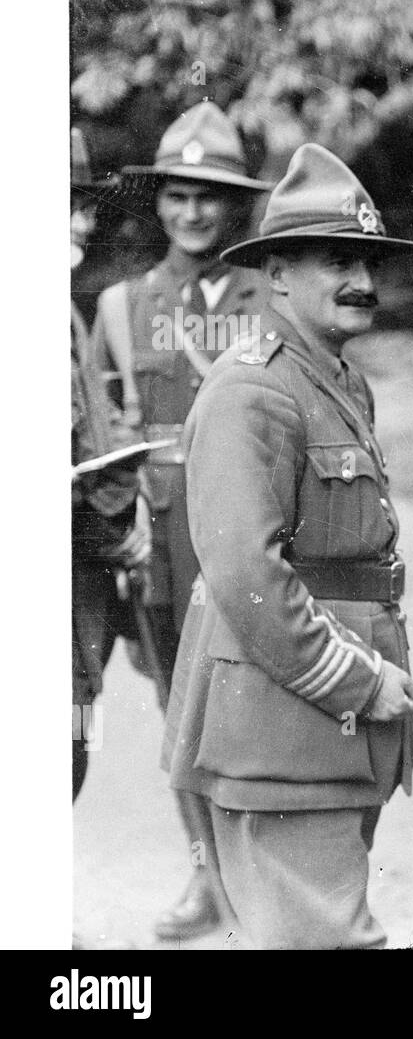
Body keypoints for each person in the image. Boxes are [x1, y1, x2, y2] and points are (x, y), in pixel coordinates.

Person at [161, 143, 413, 949]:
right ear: (276, 274)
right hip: (284, 729)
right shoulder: (252, 388)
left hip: (323, 735)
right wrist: (357, 682)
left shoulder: (338, 379)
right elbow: (247, 575)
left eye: (370, 263)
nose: (364, 283)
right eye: (338, 262)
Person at [92, 101, 274, 940]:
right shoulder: (122, 307)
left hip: (255, 535)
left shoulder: (274, 298)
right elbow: (103, 433)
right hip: (162, 540)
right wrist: (120, 523)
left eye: (210, 196)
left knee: (265, 707)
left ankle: (265, 876)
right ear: (158, 201)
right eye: (177, 196)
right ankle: (207, 873)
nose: (193, 213)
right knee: (182, 711)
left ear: (235, 203)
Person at [71, 127, 151, 801]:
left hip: (78, 597)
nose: (82, 218)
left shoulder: (67, 315)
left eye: (83, 202)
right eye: (64, 203)